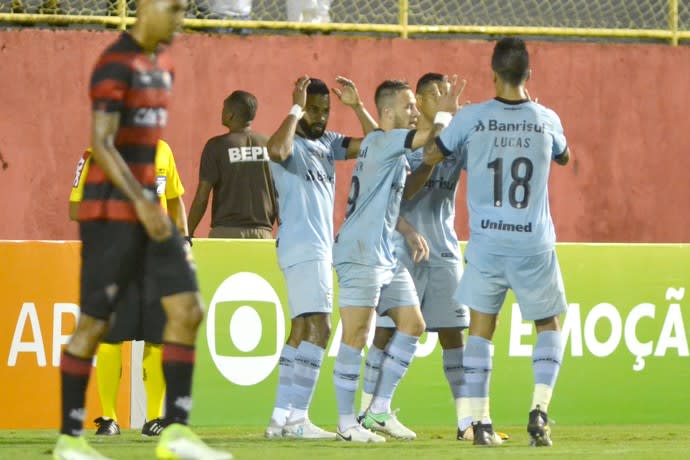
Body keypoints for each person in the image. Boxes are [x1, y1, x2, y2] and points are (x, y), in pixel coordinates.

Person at [53, 0, 232, 458]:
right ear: (145, 8)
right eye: (173, 9)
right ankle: (71, 439)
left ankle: (174, 431)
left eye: (184, 10)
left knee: (188, 309)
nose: (180, 19)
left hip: (151, 225)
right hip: (111, 220)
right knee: (96, 326)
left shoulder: (162, 67)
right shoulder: (114, 63)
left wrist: (172, 227)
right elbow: (102, 143)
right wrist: (139, 203)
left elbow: (149, 156)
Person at [430, 37, 571, 447]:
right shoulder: (547, 118)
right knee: (548, 323)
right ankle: (540, 410)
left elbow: (433, 155)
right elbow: (564, 156)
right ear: (529, 74)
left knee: (481, 329)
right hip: (533, 243)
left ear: (492, 74)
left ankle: (482, 422)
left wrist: (447, 121)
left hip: (489, 241)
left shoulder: (471, 118)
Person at [332, 78, 463, 442]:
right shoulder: (389, 142)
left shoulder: (381, 142)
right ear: (389, 112)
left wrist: (358, 107)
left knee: (413, 324)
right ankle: (346, 424)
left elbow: (402, 172)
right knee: (355, 335)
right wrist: (446, 116)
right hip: (360, 251)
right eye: (409, 106)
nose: (415, 112)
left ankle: (377, 410)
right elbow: (427, 139)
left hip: (383, 252)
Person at [264, 75, 377, 440]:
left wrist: (357, 106)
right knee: (322, 328)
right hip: (305, 246)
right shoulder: (290, 139)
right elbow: (276, 151)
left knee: (300, 330)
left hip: (312, 248)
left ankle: (280, 418)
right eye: (314, 109)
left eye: (324, 110)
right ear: (301, 107)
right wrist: (295, 109)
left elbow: (377, 143)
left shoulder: (329, 143)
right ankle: (299, 419)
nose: (320, 117)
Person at [69, 140, 187, 438]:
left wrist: (183, 239)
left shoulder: (162, 150)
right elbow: (74, 206)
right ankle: (109, 419)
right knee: (111, 337)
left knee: (156, 338)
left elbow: (174, 198)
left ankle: (154, 420)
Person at [187, 90, 277, 239]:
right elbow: (280, 193)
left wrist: (188, 232)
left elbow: (202, 196)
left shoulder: (216, 146)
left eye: (224, 108)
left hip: (225, 233)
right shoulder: (270, 144)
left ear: (230, 114)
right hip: (263, 234)